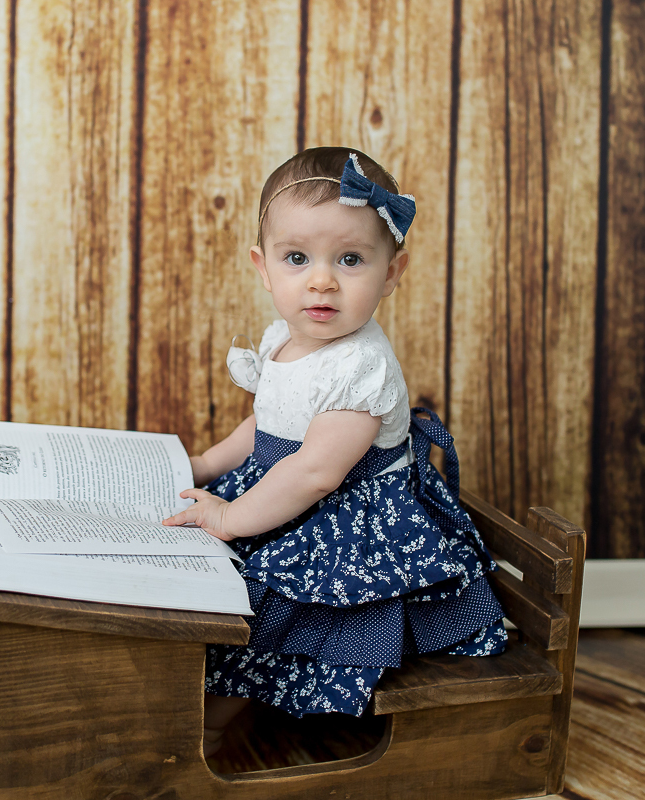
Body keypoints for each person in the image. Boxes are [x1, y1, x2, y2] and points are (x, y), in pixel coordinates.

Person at [162, 147, 507, 758]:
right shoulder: (285, 339)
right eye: (297, 258)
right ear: (264, 267)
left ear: (392, 273)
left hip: (345, 518)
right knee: (203, 561)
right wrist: (207, 465)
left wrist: (231, 517)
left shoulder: (360, 368)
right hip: (285, 488)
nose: (321, 281)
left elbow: (318, 471)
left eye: (350, 259)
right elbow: (267, 423)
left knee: (272, 599)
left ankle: (215, 724)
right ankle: (172, 682)